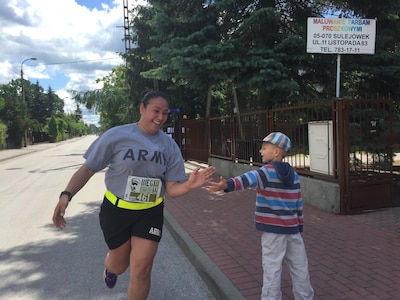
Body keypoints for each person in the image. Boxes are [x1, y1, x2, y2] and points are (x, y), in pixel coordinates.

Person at [52, 91, 216, 300]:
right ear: (142, 108)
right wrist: (66, 195)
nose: (160, 117)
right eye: (155, 111)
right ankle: (110, 267)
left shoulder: (168, 145)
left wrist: (190, 185)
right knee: (119, 266)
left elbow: (172, 189)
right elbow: (88, 169)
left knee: (141, 271)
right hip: (116, 211)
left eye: (165, 113)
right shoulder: (116, 135)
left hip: (150, 212)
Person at [207, 132, 314, 300]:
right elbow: (298, 202)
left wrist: (226, 185)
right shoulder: (293, 175)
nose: (260, 151)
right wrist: (299, 225)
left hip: (273, 231)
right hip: (292, 230)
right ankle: (305, 296)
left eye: (264, 148)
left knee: (272, 268)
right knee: (299, 266)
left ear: (276, 152)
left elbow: (246, 179)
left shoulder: (266, 172)